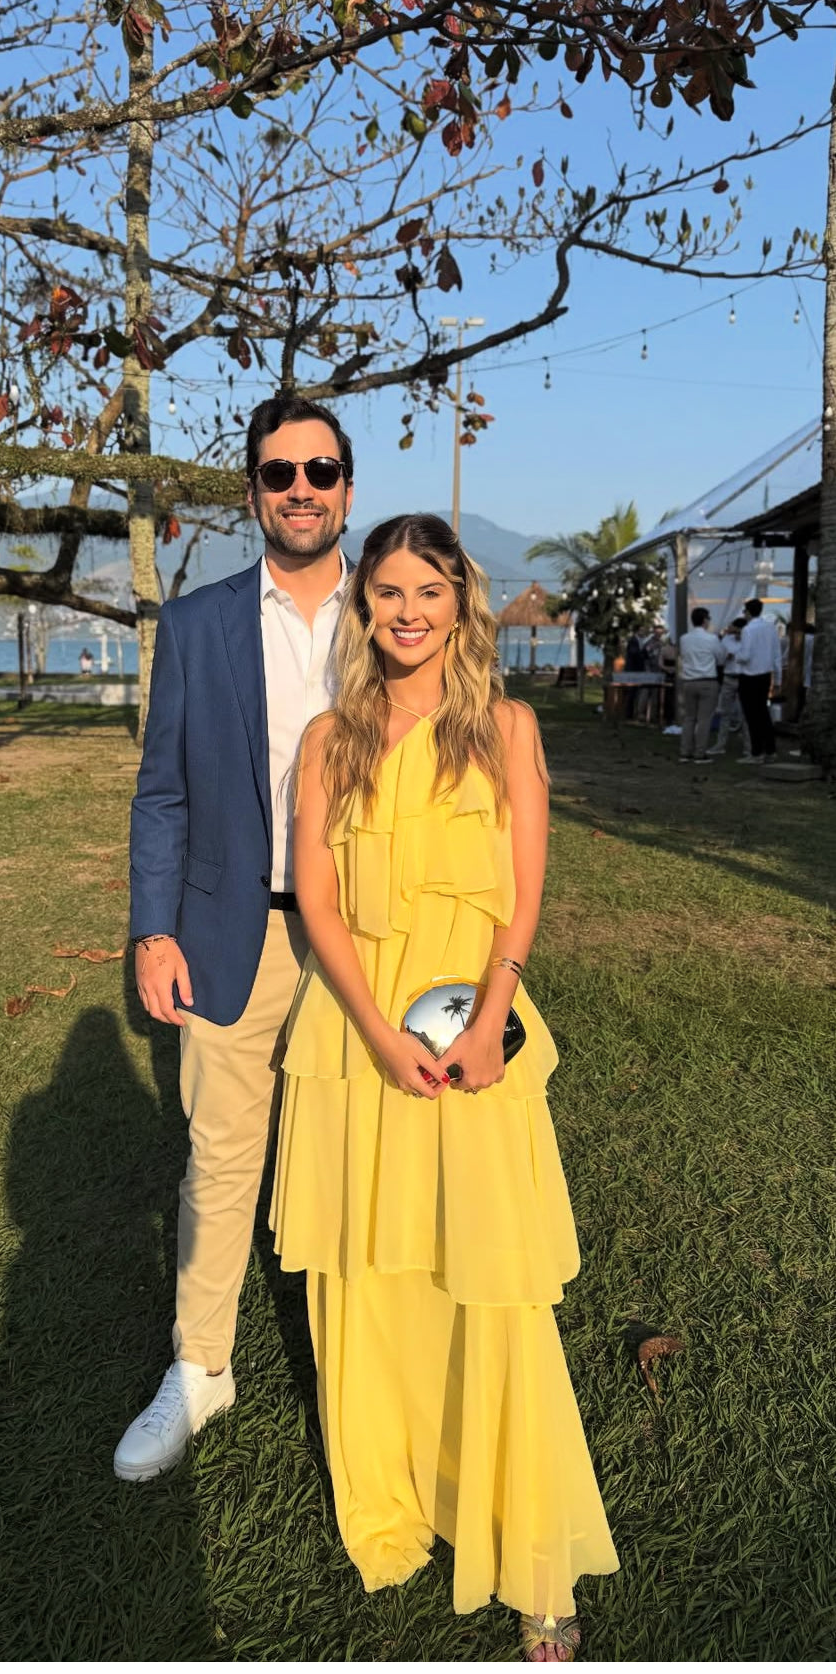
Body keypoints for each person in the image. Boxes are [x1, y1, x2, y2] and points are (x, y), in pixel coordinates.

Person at [270, 514, 618, 1660]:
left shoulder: (505, 727)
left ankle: (529, 1544)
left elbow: (523, 890)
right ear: (364, 607)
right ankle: (395, 1500)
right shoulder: (331, 738)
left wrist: (493, 1011)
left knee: (494, 1281)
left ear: (461, 604)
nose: (407, 610)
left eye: (428, 590)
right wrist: (374, 1031)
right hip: (355, 1037)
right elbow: (318, 903)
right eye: (387, 592)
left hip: (481, 1035)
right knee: (367, 1276)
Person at [118, 394, 355, 1481]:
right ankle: (201, 1365)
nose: (299, 489)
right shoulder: (201, 620)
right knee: (220, 1158)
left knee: (366, 1159)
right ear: (254, 490)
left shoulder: (400, 615)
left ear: (346, 486)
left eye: (318, 470)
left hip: (370, 939)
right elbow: (161, 790)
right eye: (278, 474)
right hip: (233, 931)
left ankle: (365, 1375)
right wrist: (151, 930)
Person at [735, 596, 782, 764]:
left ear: (747, 612)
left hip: (749, 676)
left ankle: (757, 752)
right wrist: (777, 681)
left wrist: (737, 656)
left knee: (752, 716)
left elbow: (746, 655)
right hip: (765, 675)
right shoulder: (771, 628)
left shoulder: (748, 630)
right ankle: (770, 749)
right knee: (763, 713)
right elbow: (777, 655)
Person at [677, 606, 725, 764]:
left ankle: (685, 752)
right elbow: (720, 659)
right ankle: (700, 753)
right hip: (707, 681)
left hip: (689, 681)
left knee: (689, 718)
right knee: (704, 719)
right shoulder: (711, 639)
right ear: (705, 621)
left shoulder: (684, 638)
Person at [706, 617, 750, 758]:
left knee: (746, 714)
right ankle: (720, 744)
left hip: (744, 678)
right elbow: (718, 659)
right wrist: (726, 657)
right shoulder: (726, 640)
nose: (736, 634)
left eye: (739, 632)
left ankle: (748, 747)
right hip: (729, 677)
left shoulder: (750, 640)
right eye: (735, 631)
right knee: (725, 712)